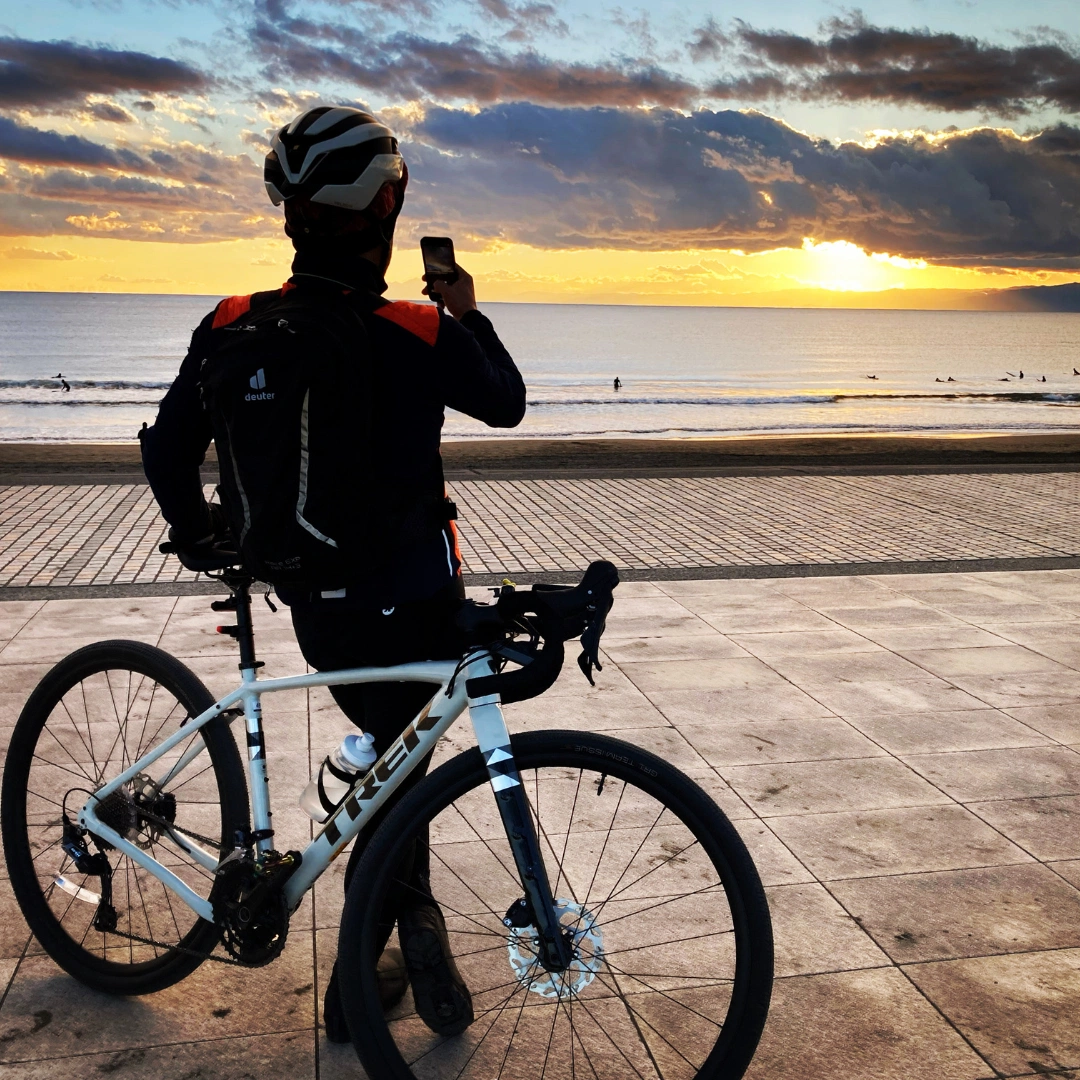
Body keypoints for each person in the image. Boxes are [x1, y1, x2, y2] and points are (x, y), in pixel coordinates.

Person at [140, 106, 526, 1042]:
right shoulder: (414, 326)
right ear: (387, 205)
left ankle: (391, 935)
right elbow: (506, 403)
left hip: (315, 606)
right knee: (402, 771)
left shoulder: (234, 323)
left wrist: (203, 537)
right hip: (417, 605)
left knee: (393, 765)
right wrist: (466, 310)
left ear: (288, 213)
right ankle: (372, 959)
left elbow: (166, 450)